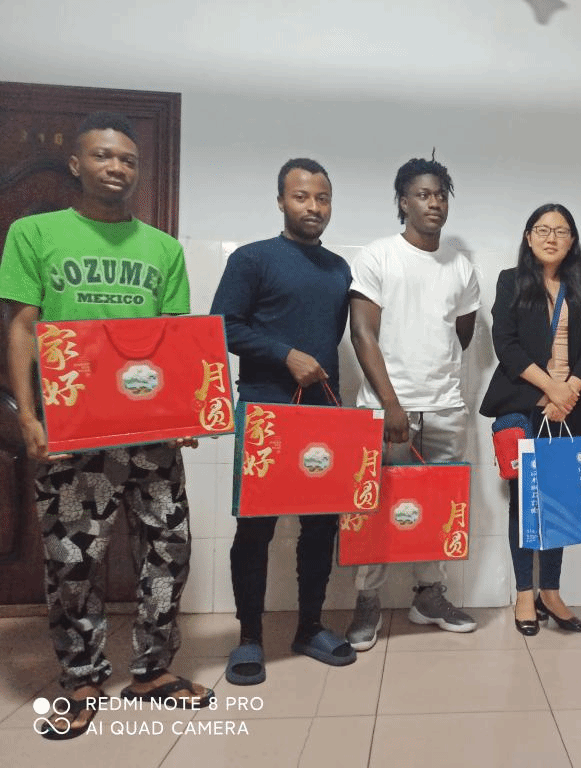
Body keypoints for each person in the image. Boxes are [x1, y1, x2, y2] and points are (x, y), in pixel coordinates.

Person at [0, 112, 212, 739]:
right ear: (76, 164)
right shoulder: (34, 233)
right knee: (73, 561)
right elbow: (21, 327)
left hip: (151, 433)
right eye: (102, 156)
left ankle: (152, 671)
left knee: (169, 551)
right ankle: (81, 678)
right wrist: (27, 416)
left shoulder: (163, 248)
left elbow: (174, 339)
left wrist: (189, 411)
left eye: (127, 159)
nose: (116, 167)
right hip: (72, 429)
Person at [210, 158, 356, 685]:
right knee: (256, 527)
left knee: (320, 525)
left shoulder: (339, 269)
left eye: (322, 198)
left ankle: (309, 627)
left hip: (323, 413)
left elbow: (331, 335)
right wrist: (284, 354)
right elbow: (221, 326)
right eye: (301, 196)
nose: (313, 207)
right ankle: (248, 637)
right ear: (280, 201)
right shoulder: (252, 259)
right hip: (265, 412)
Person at [345, 155, 480, 650]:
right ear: (403, 202)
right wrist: (391, 404)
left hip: (444, 408)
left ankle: (429, 596)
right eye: (423, 194)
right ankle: (367, 601)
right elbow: (362, 333)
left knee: (439, 506)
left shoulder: (460, 266)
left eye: (441, 194)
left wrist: (433, 388)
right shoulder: (378, 256)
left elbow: (461, 335)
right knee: (375, 505)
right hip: (386, 410)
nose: (434, 203)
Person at [480, 203, 581, 635]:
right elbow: (506, 343)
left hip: (569, 407)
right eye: (543, 229)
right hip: (524, 403)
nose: (551, 238)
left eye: (561, 231)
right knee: (524, 502)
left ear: (572, 241)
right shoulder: (511, 281)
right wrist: (551, 389)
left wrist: (570, 391)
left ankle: (551, 592)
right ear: (529, 237)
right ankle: (524, 593)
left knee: (560, 501)